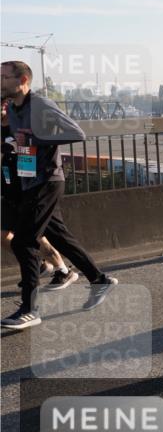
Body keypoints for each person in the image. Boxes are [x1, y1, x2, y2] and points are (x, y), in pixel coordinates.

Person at [1, 61, 118, 330]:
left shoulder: (39, 104)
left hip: (47, 180)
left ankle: (29, 310)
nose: (0, 82)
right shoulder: (15, 109)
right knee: (59, 237)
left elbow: (76, 132)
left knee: (23, 242)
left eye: (4, 77)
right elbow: (20, 141)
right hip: (29, 181)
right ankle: (99, 280)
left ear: (23, 80)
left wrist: (35, 139)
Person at [1, 100, 74, 290]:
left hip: (27, 188)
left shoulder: (20, 125)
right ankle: (39, 265)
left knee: (34, 235)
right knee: (4, 235)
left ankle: (62, 270)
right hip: (8, 188)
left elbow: (31, 156)